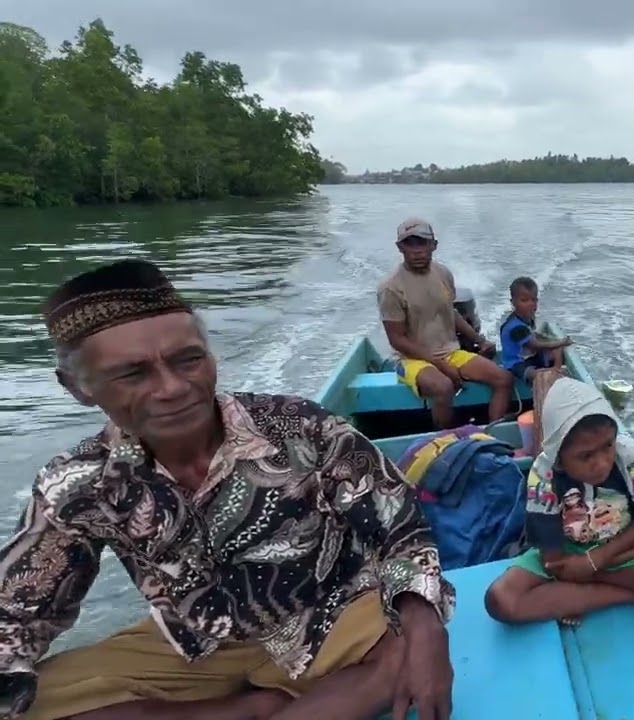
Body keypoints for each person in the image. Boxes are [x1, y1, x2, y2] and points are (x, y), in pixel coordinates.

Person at [0, 259, 456, 720]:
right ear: (77, 387)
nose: (173, 388)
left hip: (333, 616)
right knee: (26, 702)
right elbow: (17, 612)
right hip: (197, 644)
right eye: (133, 374)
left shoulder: (299, 427)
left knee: (406, 646)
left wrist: (425, 624)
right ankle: (247, 708)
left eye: (189, 359)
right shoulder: (78, 484)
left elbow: (400, 526)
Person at [483, 377, 634, 626]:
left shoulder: (629, 454)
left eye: (608, 445)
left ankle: (586, 590)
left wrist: (594, 563)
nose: (602, 463)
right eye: (586, 456)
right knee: (501, 600)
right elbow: (553, 562)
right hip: (572, 552)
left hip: (631, 540)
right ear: (559, 458)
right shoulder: (544, 476)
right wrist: (588, 561)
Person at [377, 217, 513, 428]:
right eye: (409, 244)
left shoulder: (443, 274)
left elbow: (451, 313)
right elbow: (397, 339)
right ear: (400, 248)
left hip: (450, 352)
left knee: (503, 378)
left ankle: (492, 434)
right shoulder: (391, 288)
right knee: (443, 387)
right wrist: (441, 365)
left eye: (422, 243)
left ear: (433, 245)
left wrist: (479, 340)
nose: (417, 251)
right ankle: (446, 440)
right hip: (411, 359)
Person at [497, 277, 571, 382]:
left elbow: (533, 334)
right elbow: (535, 345)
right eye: (524, 300)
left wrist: (554, 343)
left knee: (556, 349)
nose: (530, 304)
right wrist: (560, 343)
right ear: (513, 302)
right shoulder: (516, 327)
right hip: (516, 363)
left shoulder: (528, 318)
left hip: (528, 356)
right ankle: (552, 371)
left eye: (534, 300)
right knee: (532, 373)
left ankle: (556, 368)